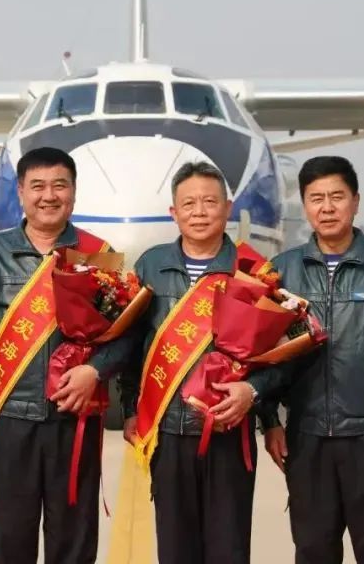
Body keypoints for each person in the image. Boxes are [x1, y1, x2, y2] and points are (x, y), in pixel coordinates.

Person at [0, 146, 129, 564]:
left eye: (59, 186)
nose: (49, 196)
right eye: (37, 186)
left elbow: (125, 336)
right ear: (20, 192)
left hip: (75, 419)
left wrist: (95, 371)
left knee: (74, 541)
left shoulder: (99, 254)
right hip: (8, 420)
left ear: (74, 191)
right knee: (10, 539)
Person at [261, 155, 364, 564]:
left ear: (355, 201)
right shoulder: (280, 274)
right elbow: (262, 356)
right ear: (304, 205)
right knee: (313, 550)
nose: (327, 207)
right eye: (316, 198)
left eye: (337, 196)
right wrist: (269, 421)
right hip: (306, 437)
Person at [121, 160, 279, 564]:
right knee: (175, 549)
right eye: (188, 204)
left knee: (229, 549)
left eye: (210, 202)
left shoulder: (253, 271)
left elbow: (279, 355)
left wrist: (255, 396)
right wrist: (130, 409)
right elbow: (130, 345)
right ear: (173, 212)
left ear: (227, 208)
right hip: (168, 434)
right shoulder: (151, 266)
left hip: (230, 432)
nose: (199, 212)